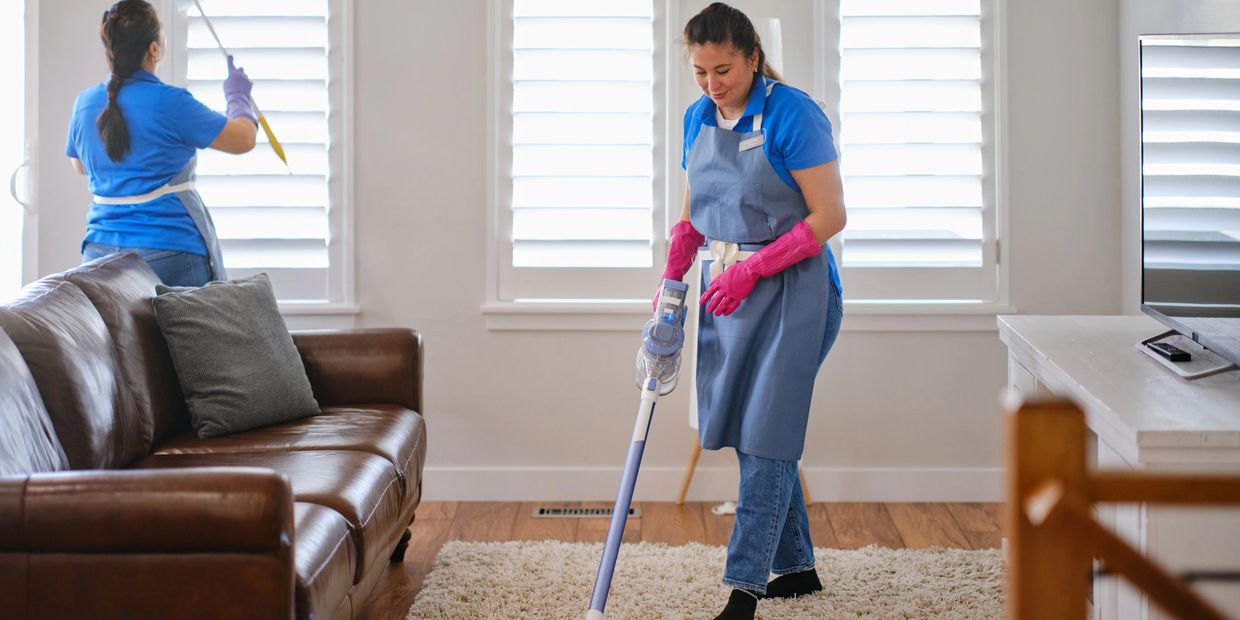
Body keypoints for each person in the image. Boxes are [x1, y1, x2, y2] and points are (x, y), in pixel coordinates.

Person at [658, 4, 846, 619]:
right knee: (755, 428)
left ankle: (745, 590)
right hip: (727, 290)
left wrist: (755, 269)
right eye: (700, 71)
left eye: (725, 70)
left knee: (768, 430)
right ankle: (797, 569)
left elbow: (829, 217)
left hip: (796, 290)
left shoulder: (794, 114)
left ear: (753, 58)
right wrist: (670, 283)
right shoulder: (697, 117)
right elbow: (692, 214)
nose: (713, 84)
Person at [66, 0, 258, 286]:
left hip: (98, 254)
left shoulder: (84, 103)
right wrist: (237, 96)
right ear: (154, 49)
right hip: (169, 252)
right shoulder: (171, 102)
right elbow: (244, 139)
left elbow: (80, 166)